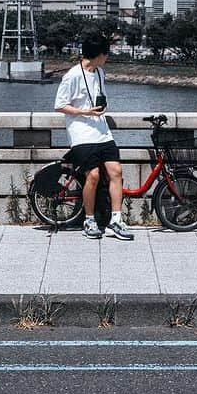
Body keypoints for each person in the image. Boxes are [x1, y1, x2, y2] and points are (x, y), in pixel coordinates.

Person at [54, 31, 134, 241]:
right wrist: (85, 112)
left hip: (101, 130)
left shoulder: (99, 73)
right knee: (94, 176)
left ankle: (116, 220)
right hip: (81, 133)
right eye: (106, 54)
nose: (107, 58)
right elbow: (60, 105)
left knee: (116, 171)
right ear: (98, 54)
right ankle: (89, 220)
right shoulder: (72, 75)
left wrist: (98, 109)